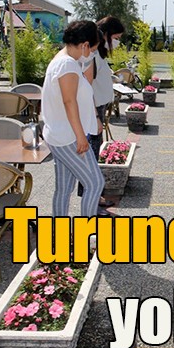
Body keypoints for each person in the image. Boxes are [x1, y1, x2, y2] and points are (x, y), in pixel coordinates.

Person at [41, 20, 105, 217]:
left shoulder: (63, 60)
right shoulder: (67, 64)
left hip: (59, 134)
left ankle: (58, 229)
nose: (92, 54)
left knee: (64, 188)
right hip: (68, 137)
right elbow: (69, 102)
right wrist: (80, 136)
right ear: (84, 45)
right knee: (95, 183)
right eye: (93, 49)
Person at [76, 16, 125, 212]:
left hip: (98, 107)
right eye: (116, 37)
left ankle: (94, 195)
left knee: (93, 154)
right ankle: (92, 198)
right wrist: (95, 116)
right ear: (106, 34)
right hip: (93, 109)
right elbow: (87, 86)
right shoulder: (92, 55)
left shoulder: (98, 54)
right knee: (91, 155)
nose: (117, 41)